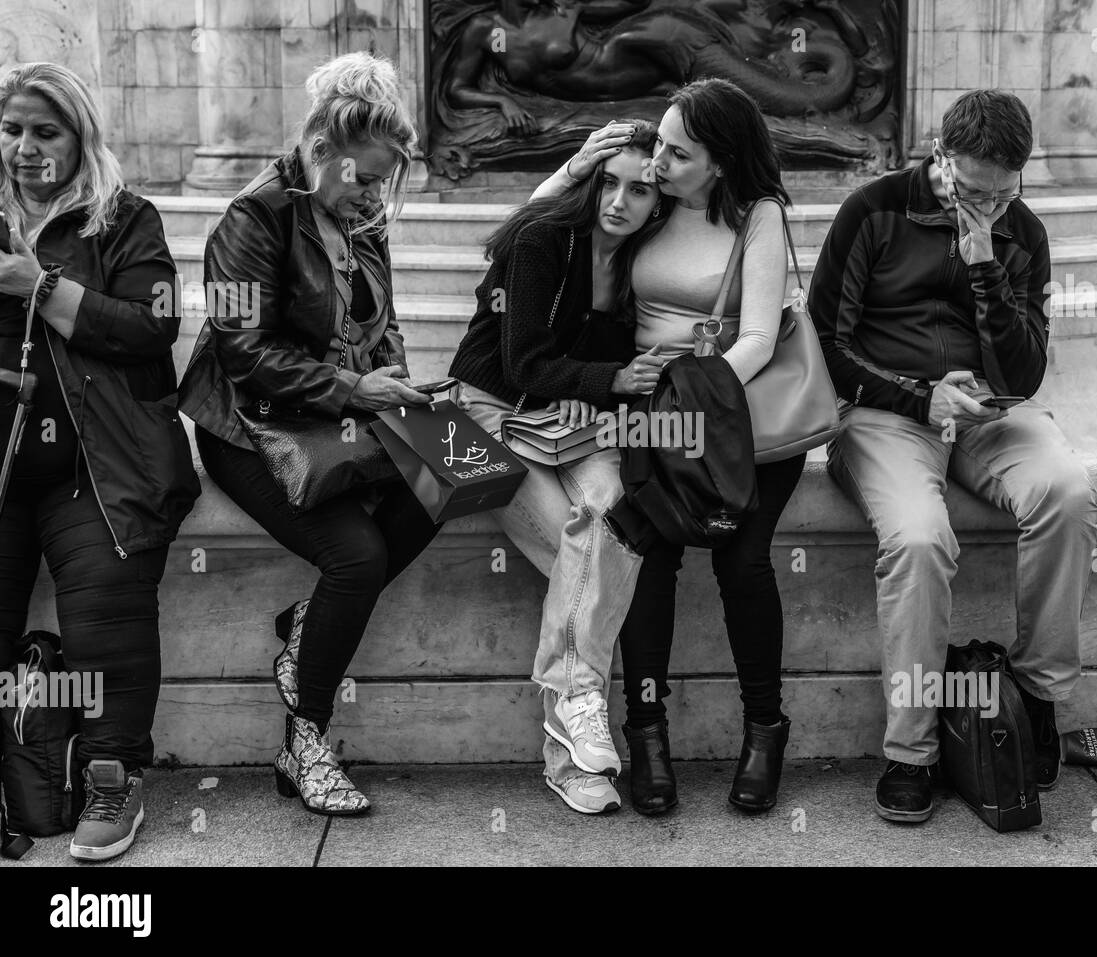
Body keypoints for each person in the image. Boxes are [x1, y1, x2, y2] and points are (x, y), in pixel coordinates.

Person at [809, 89, 1097, 824]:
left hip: (989, 414)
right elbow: (824, 346)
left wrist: (985, 269)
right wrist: (919, 398)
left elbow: (1024, 372)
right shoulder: (872, 211)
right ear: (940, 158)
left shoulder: (1021, 232)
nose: (991, 204)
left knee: (1067, 491)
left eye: (1005, 191)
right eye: (974, 190)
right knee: (917, 537)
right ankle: (911, 750)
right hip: (886, 413)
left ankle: (1035, 699)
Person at [178, 53, 438, 816]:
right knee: (355, 556)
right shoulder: (249, 219)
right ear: (320, 149)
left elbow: (378, 324)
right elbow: (242, 351)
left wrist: (397, 387)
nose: (370, 197)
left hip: (343, 416)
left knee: (452, 478)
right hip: (248, 427)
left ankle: (304, 629)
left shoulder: (360, 213)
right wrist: (357, 388)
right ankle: (305, 744)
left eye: (382, 182)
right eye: (361, 177)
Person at [537, 79, 800, 816]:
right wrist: (576, 166)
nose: (658, 164)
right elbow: (535, 228)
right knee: (640, 548)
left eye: (678, 153)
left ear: (719, 163)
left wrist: (693, 394)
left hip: (737, 417)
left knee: (742, 558)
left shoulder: (759, 216)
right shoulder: (648, 203)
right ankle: (646, 734)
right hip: (649, 415)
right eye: (661, 142)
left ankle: (764, 729)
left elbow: (755, 338)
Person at [0, 62, 199, 860]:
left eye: (45, 132)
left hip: (98, 467)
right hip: (3, 471)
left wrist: (37, 284)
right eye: (12, 130)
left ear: (81, 138)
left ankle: (112, 780)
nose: (24, 148)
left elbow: (153, 328)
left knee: (108, 617)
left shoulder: (123, 221)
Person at [447, 119, 669, 815]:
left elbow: (566, 370)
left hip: (566, 419)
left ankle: (570, 739)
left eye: (639, 189)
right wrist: (600, 381)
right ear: (588, 179)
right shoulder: (545, 241)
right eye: (608, 181)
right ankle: (575, 736)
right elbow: (521, 362)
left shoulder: (642, 267)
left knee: (613, 514)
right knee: (585, 544)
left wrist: (580, 387)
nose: (619, 201)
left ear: (658, 201)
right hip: (484, 415)